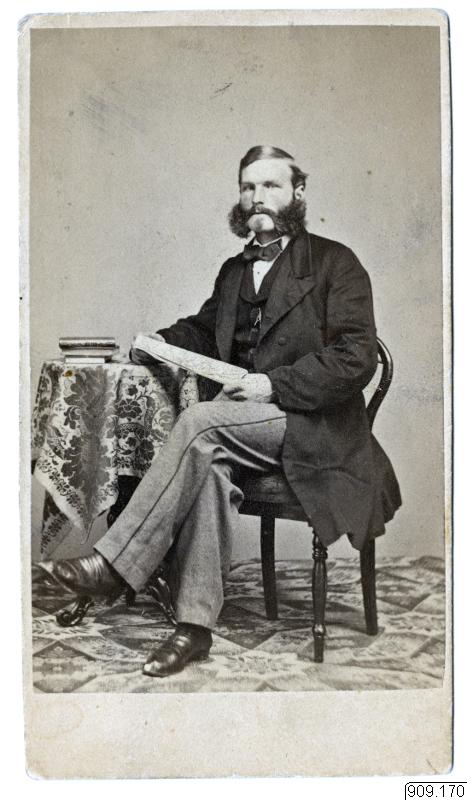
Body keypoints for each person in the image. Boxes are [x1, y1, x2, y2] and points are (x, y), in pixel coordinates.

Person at [35, 145, 401, 677]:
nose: (258, 197)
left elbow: (356, 357)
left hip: (315, 425)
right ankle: (195, 628)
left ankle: (113, 564)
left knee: (200, 423)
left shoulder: (335, 263)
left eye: (271, 186)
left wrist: (272, 384)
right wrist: (161, 342)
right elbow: (206, 331)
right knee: (207, 463)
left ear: (298, 192)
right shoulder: (235, 271)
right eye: (249, 187)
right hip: (245, 428)